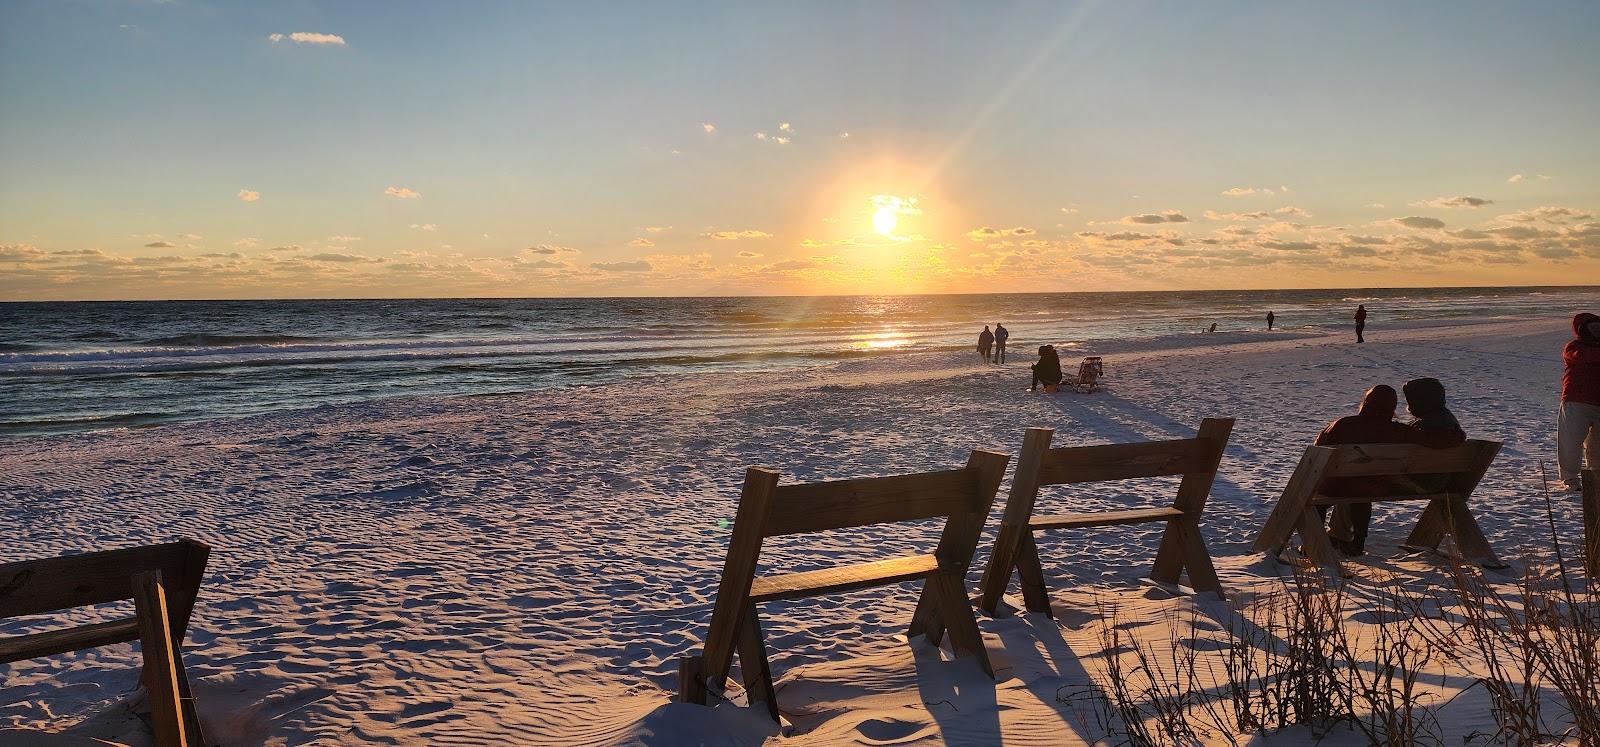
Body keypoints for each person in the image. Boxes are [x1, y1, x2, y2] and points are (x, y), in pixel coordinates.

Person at [1315, 384, 1464, 556]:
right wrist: (1457, 436)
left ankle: (1316, 545)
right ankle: (1357, 542)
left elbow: (1319, 450)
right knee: (1360, 487)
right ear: (1392, 408)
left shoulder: (1340, 425)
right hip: (1372, 487)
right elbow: (1433, 439)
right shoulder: (1399, 430)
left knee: (1327, 494)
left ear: (1365, 403)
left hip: (1331, 486)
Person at [1558, 312, 1600, 492]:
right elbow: (1583, 356)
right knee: (1570, 441)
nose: (1596, 331)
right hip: (1576, 401)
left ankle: (1596, 474)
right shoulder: (1574, 347)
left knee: (1597, 444)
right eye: (1592, 328)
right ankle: (1570, 478)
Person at [1403, 377, 1464, 492]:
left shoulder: (1426, 425)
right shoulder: (1448, 420)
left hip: (1422, 480)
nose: (1409, 405)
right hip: (1441, 480)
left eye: (1411, 400)